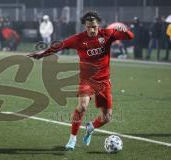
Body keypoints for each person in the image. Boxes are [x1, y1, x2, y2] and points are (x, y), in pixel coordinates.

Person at [28, 11, 134, 150]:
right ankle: (72, 139)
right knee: (82, 106)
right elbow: (60, 46)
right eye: (89, 27)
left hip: (104, 81)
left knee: (106, 117)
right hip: (87, 80)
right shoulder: (78, 39)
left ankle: (91, 127)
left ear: (98, 26)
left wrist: (125, 31)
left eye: (94, 27)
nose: (91, 30)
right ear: (85, 26)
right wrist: (42, 54)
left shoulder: (107, 34)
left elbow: (130, 37)